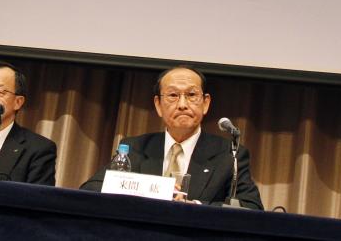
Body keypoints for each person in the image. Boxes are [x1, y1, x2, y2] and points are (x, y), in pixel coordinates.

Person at [81, 66, 263, 209]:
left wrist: (196, 207)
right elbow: (91, 190)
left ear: (206, 103)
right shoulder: (135, 147)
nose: (183, 104)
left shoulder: (229, 154)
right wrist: (153, 190)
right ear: (158, 105)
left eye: (191, 95)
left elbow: (251, 207)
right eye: (173, 95)